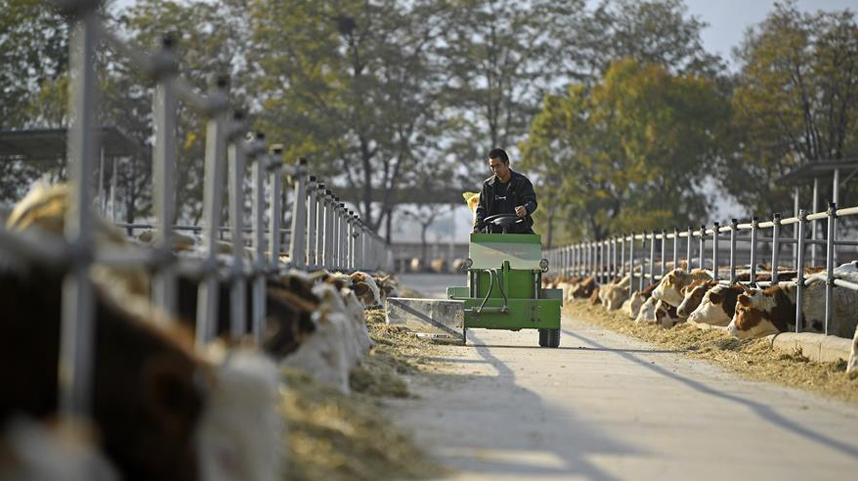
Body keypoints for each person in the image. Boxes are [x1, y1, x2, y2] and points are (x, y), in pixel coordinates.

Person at [473, 148, 538, 234]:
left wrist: (525, 209)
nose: (495, 170)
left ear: (507, 163)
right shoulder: (488, 185)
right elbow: (481, 210)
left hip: (519, 232)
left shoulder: (522, 182)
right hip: (493, 234)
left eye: (498, 166)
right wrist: (477, 228)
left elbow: (532, 202)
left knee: (535, 243)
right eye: (492, 167)